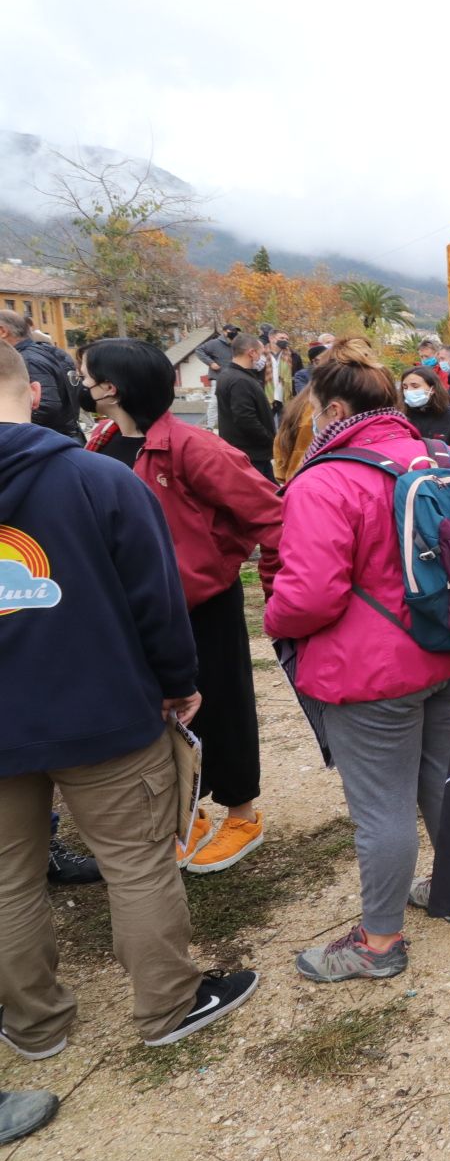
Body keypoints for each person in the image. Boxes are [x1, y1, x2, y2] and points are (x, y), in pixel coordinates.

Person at [0, 343, 259, 1057]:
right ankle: (168, 1005)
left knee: (6, 877)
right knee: (137, 861)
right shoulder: (97, 479)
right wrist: (180, 685)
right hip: (104, 710)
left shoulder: (103, 472)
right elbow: (158, 600)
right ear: (38, 395)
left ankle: (33, 1023)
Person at [265, 338, 450, 982]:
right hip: (448, 649)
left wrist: (273, 619)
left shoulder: (326, 480)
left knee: (382, 809)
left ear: (334, 408)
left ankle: (378, 941)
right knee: (443, 781)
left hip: (369, 677)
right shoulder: (444, 456)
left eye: (314, 407)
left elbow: (309, 594)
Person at [79, 338, 284, 873]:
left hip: (201, 604)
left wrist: (240, 567)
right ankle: (185, 809)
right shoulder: (101, 441)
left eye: (87, 375)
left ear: (111, 386)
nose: (81, 384)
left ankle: (241, 813)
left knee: (222, 703)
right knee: (160, 708)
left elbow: (271, 514)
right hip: (134, 604)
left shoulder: (194, 447)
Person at [1, 310, 81, 443]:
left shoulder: (27, 360)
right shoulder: (53, 352)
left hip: (45, 444)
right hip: (65, 437)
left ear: (2, 331)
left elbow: (45, 407)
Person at [214, 334, 276, 479]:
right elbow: (245, 418)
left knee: (273, 496)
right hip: (250, 454)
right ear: (252, 353)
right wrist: (269, 438)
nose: (262, 358)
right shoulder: (240, 380)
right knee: (261, 498)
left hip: (249, 453)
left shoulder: (230, 375)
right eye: (261, 353)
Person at [399, 366, 450, 454]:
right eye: (405, 387)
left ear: (432, 389)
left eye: (415, 386)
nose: (408, 391)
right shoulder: (400, 417)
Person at [262, 328, 296, 422]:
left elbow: (297, 375)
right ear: (271, 338)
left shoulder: (293, 355)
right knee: (267, 425)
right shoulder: (261, 354)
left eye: (286, 339)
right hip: (267, 395)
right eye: (282, 338)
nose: (285, 340)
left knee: (285, 426)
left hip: (285, 396)